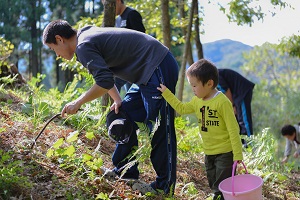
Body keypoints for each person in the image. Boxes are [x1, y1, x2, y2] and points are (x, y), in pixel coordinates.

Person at [42, 20, 179, 195]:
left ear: (59, 39)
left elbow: (104, 81)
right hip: (146, 74)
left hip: (158, 65)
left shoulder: (83, 46)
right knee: (121, 115)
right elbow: (106, 76)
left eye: (53, 49)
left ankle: (164, 187)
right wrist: (117, 99)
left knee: (160, 127)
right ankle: (124, 172)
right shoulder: (85, 37)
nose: (57, 55)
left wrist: (77, 103)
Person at [157, 59, 243, 200]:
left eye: (195, 86)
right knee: (212, 182)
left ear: (209, 83)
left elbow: (233, 129)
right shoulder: (197, 101)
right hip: (209, 152)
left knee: (220, 187)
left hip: (225, 152)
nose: (193, 90)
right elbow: (181, 108)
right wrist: (166, 93)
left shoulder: (222, 102)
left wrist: (237, 154)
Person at [103, 0, 146, 93]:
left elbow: (143, 39)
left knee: (113, 81)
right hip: (123, 63)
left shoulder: (132, 14)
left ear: (118, 1)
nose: (110, 9)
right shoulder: (118, 20)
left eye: (111, 5)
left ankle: (111, 107)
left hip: (134, 63)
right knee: (132, 94)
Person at [217, 68, 255, 138]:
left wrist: (232, 106)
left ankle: (250, 143)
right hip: (236, 95)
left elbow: (226, 91)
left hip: (241, 92)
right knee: (237, 120)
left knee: (244, 120)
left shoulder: (214, 76)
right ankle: (242, 143)